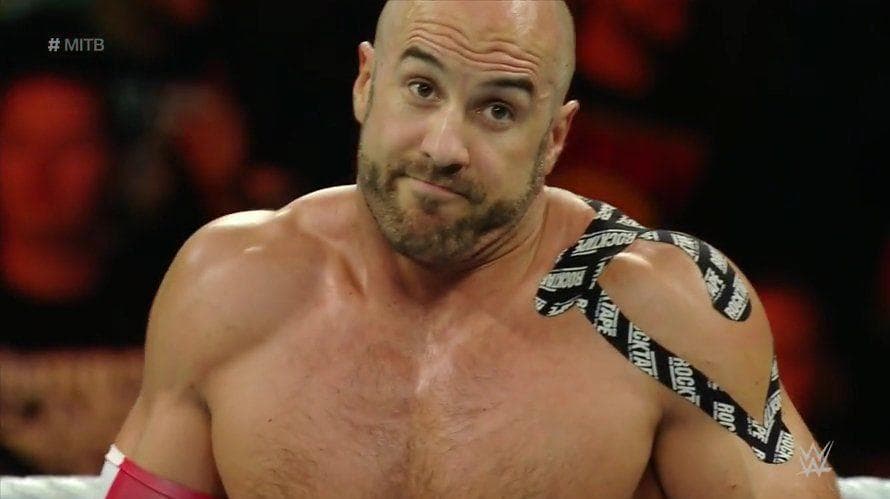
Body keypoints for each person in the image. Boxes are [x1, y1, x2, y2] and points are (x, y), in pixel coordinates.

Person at [107, 1, 840, 497]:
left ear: (555, 136)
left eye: (498, 109)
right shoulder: (228, 281)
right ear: (366, 83)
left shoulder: (670, 308)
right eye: (421, 88)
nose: (444, 147)